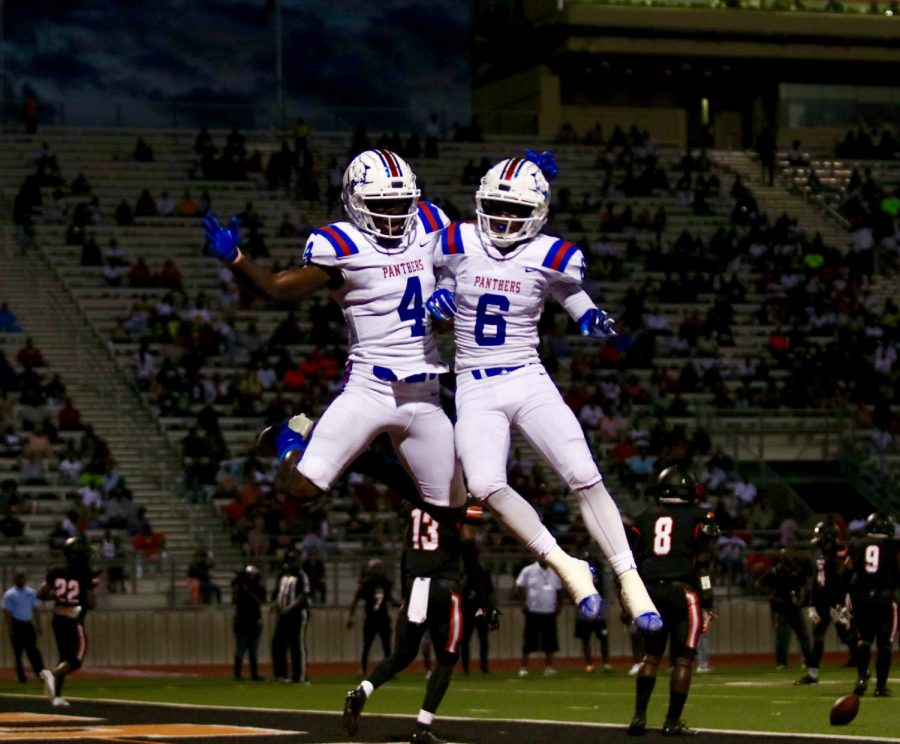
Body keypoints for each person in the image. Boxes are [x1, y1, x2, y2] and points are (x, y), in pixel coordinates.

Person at [426, 148, 660, 630]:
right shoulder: (453, 240)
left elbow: (567, 290)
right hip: (474, 382)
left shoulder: (551, 253)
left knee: (583, 473)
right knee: (485, 485)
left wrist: (587, 313)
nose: (506, 218)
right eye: (498, 207)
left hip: (526, 375)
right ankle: (567, 565)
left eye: (517, 210)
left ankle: (630, 578)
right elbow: (423, 273)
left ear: (539, 213)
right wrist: (436, 295)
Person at [202, 149, 465, 515]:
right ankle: (287, 439)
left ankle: (359, 459)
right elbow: (278, 289)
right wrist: (237, 260)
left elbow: (460, 269)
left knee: (457, 512)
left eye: (400, 202)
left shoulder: (431, 221)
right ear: (355, 201)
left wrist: (449, 300)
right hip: (370, 388)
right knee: (301, 489)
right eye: (380, 204)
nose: (392, 214)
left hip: (424, 392)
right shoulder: (342, 244)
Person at [343, 481, 496, 744]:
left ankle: (360, 693)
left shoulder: (414, 498)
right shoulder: (467, 502)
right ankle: (423, 726)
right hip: (445, 589)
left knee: (402, 654)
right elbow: (469, 551)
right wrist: (485, 600)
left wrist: (407, 586)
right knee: (447, 659)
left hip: (416, 584)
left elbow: (407, 546)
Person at [626, 466, 719, 737]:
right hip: (683, 591)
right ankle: (672, 721)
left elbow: (636, 558)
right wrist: (708, 601)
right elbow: (703, 564)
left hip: (651, 590)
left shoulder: (643, 518)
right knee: (683, 660)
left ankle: (639, 717)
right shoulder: (701, 517)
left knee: (651, 656)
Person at [37, 536, 97, 706]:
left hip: (58, 619)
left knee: (64, 656)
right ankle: (52, 675)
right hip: (74, 619)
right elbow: (91, 603)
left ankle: (56, 696)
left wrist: (58, 596)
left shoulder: (56, 572)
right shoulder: (84, 575)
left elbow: (41, 594)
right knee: (77, 658)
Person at [795, 520, 857, 685]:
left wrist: (843, 601)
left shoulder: (840, 553)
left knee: (845, 633)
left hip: (837, 601)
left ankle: (861, 665)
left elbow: (845, 576)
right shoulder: (818, 552)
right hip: (820, 602)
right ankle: (813, 673)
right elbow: (816, 579)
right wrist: (811, 602)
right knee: (817, 634)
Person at [848, 512, 898, 697]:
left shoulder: (857, 543)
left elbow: (849, 569)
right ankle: (880, 687)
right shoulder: (893, 546)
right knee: (884, 643)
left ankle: (861, 677)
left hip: (862, 598)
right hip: (884, 598)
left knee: (864, 640)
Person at [759, 547, 813, 672]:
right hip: (782, 607)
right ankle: (782, 661)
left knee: (800, 635)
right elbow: (761, 583)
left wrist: (801, 598)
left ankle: (807, 660)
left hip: (793, 607)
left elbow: (803, 586)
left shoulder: (795, 571)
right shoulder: (777, 571)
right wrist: (772, 596)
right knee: (784, 636)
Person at [347, 557, 397, 676]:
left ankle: (389, 670)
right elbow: (356, 600)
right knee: (366, 645)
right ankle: (363, 669)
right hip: (371, 618)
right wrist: (350, 617)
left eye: (380, 567)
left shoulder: (386, 583)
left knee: (387, 645)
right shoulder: (365, 583)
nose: (379, 570)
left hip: (383, 617)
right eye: (376, 568)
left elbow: (390, 598)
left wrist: (401, 604)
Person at [515, 558, 562, 677]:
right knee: (529, 641)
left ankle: (549, 667)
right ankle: (524, 667)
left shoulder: (554, 571)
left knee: (549, 642)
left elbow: (559, 591)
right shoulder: (528, 570)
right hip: (533, 611)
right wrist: (522, 603)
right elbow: (519, 586)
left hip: (549, 611)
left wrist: (558, 606)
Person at [270, 550, 310, 683]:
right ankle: (281, 674)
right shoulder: (282, 575)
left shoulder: (301, 575)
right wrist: (276, 605)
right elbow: (277, 593)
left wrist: (290, 607)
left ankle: (299, 675)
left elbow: (304, 594)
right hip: (283, 615)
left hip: (297, 615)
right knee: (278, 644)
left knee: (296, 645)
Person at [3, 572, 45, 683]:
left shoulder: (31, 593)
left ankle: (40, 673)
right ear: (15, 580)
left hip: (27, 624)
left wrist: (39, 625)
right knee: (18, 653)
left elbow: (36, 609)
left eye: (22, 578)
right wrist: (10, 627)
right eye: (18, 579)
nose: (21, 581)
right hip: (16, 624)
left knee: (33, 651)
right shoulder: (9, 594)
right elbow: (7, 612)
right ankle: (21, 677)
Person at [575, 548, 611, 673]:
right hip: (584, 612)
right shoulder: (578, 575)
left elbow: (605, 590)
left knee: (603, 638)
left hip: (599, 611)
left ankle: (605, 663)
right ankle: (589, 663)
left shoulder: (599, 574)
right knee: (586, 639)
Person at [460, 560, 496, 675]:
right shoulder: (465, 573)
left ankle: (484, 667)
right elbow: (460, 589)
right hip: (468, 611)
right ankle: (466, 668)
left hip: (481, 610)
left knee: (483, 640)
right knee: (465, 641)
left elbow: (490, 592)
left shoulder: (485, 573)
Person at [231, 565, 265, 681]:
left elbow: (260, 601)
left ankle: (253, 674)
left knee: (252, 650)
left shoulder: (257, 589)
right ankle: (238, 674)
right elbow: (234, 599)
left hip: (253, 621)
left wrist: (247, 591)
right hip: (243, 621)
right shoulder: (240, 588)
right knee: (241, 649)